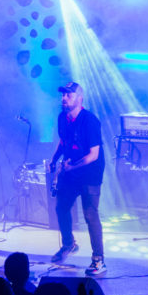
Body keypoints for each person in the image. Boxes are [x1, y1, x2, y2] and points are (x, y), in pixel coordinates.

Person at [48, 81, 106, 277]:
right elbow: (63, 142)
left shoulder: (89, 121)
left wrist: (72, 166)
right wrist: (54, 159)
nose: (64, 98)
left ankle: (99, 259)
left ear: (79, 99)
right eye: (63, 95)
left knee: (90, 215)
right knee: (61, 208)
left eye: (69, 95)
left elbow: (93, 155)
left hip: (90, 173)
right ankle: (68, 244)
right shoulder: (62, 118)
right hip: (72, 170)